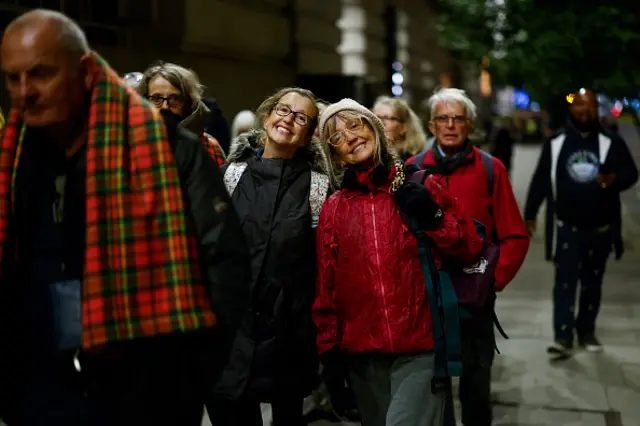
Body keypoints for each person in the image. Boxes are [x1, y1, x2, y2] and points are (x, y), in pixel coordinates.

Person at [0, 9, 250, 426]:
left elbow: (225, 266)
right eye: (12, 77)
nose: (24, 92)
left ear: (82, 72)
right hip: (40, 388)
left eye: (41, 74)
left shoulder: (170, 150)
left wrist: (185, 381)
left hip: (144, 387)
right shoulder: (16, 157)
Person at [314, 98, 483, 426]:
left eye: (355, 125)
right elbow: (326, 286)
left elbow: (468, 247)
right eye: (336, 137)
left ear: (375, 129)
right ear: (334, 154)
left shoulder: (420, 184)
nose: (349, 137)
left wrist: (433, 217)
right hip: (362, 355)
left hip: (420, 346)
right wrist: (329, 352)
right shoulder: (334, 208)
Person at [209, 87, 334, 426]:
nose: (288, 119)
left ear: (308, 136)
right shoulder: (231, 175)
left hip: (289, 333)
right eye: (282, 109)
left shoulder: (318, 187)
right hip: (232, 326)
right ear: (266, 117)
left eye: (301, 117)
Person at [408, 88, 530, 426]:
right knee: (434, 385)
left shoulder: (491, 169)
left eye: (457, 118)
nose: (450, 125)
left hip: (474, 299)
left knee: (476, 386)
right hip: (428, 299)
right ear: (431, 126)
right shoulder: (412, 169)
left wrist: (494, 279)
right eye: (443, 119)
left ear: (470, 124)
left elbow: (515, 235)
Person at [525, 88, 638, 356]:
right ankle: (562, 336)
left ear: (596, 110)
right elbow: (541, 180)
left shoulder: (611, 142)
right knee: (564, 282)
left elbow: (631, 174)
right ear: (571, 109)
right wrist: (530, 213)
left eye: (589, 106)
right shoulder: (556, 143)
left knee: (592, 282)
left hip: (601, 228)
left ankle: (586, 332)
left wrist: (614, 180)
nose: (584, 110)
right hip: (567, 228)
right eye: (579, 105)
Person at [137, 62, 226, 167]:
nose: (165, 106)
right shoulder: (131, 143)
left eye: (174, 99)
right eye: (156, 98)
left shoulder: (209, 147)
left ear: (188, 103)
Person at [373, 96, 429, 161]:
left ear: (404, 128)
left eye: (388, 118)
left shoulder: (414, 163)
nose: (380, 122)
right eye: (376, 118)